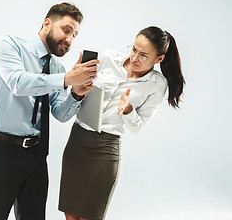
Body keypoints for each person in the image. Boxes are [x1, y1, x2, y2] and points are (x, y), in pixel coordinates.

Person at [0, 2, 100, 220]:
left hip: (36, 155)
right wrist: (67, 79)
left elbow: (61, 114)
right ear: (47, 24)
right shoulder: (10, 44)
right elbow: (18, 83)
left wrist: (76, 93)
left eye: (75, 35)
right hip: (0, 151)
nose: (69, 40)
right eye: (66, 30)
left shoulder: (57, 68)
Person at [58, 26, 185, 220]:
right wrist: (78, 86)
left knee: (90, 215)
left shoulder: (157, 84)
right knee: (70, 214)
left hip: (106, 149)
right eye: (134, 49)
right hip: (78, 140)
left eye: (143, 55)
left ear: (159, 59)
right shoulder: (109, 58)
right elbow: (80, 90)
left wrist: (127, 110)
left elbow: (137, 127)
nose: (134, 58)